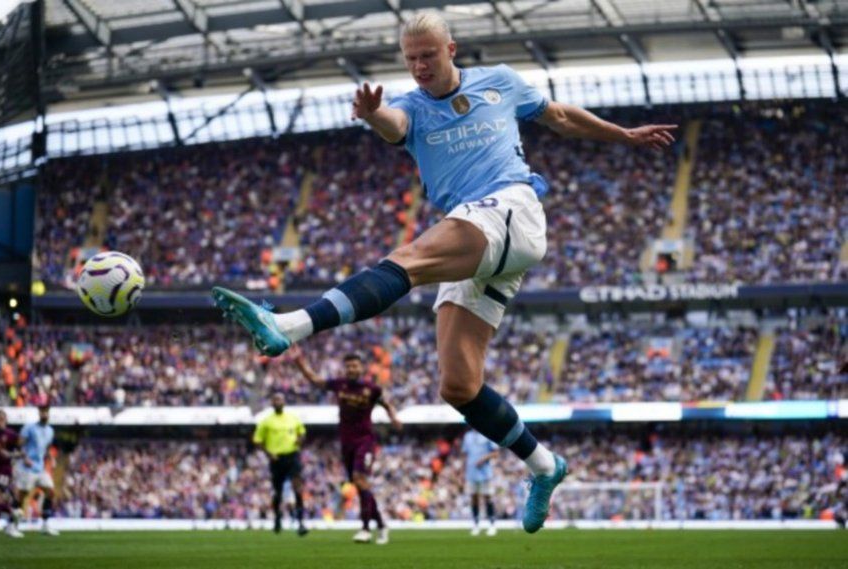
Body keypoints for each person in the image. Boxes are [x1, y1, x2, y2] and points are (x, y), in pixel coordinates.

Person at [213, 12, 676, 533]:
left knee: (409, 260)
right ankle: (545, 466)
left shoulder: (499, 82)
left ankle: (291, 324)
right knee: (458, 386)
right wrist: (372, 116)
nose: (418, 67)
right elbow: (396, 124)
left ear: (450, 49)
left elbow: (561, 117)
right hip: (473, 233)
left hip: (511, 208)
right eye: (410, 59)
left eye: (427, 56)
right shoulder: (410, 106)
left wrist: (627, 136)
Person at [288, 346, 402, 544]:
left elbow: (386, 403)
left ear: (361, 368)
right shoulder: (339, 384)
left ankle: (365, 529)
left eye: (355, 366)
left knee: (360, 479)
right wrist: (299, 361)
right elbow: (315, 380)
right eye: (348, 366)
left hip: (365, 441)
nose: (351, 369)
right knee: (359, 485)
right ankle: (382, 525)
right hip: (346, 443)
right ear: (345, 369)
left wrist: (393, 417)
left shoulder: (372, 389)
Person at [253, 393, 309, 536]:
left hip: (292, 456)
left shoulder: (292, 418)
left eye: (281, 399)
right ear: (272, 403)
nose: (278, 402)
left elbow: (302, 432)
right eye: (275, 400)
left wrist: (299, 441)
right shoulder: (266, 421)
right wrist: (268, 453)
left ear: (284, 402)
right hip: (276, 459)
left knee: (297, 487)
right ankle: (277, 517)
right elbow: (257, 440)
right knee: (277, 492)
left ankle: (301, 522)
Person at [14, 404, 58, 536]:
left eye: (46, 412)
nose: (44, 414)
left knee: (50, 492)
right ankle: (12, 525)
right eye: (42, 412)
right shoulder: (29, 428)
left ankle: (44, 525)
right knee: (22, 495)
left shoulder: (50, 430)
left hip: (40, 468)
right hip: (27, 467)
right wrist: (24, 457)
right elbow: (19, 445)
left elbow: (47, 447)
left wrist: (51, 458)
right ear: (39, 414)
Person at [462, 428, 499, 536]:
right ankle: (476, 525)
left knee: (487, 497)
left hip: (485, 473)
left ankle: (492, 525)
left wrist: (484, 459)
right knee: (474, 498)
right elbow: (465, 454)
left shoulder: (488, 433)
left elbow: (496, 453)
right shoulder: (467, 436)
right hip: (471, 473)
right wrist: (463, 471)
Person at [0, 410, 23, 539]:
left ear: (6, 421)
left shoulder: (11, 435)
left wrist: (10, 455)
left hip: (3, 471)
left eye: (3, 419)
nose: (0, 421)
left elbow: (21, 451)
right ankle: (13, 512)